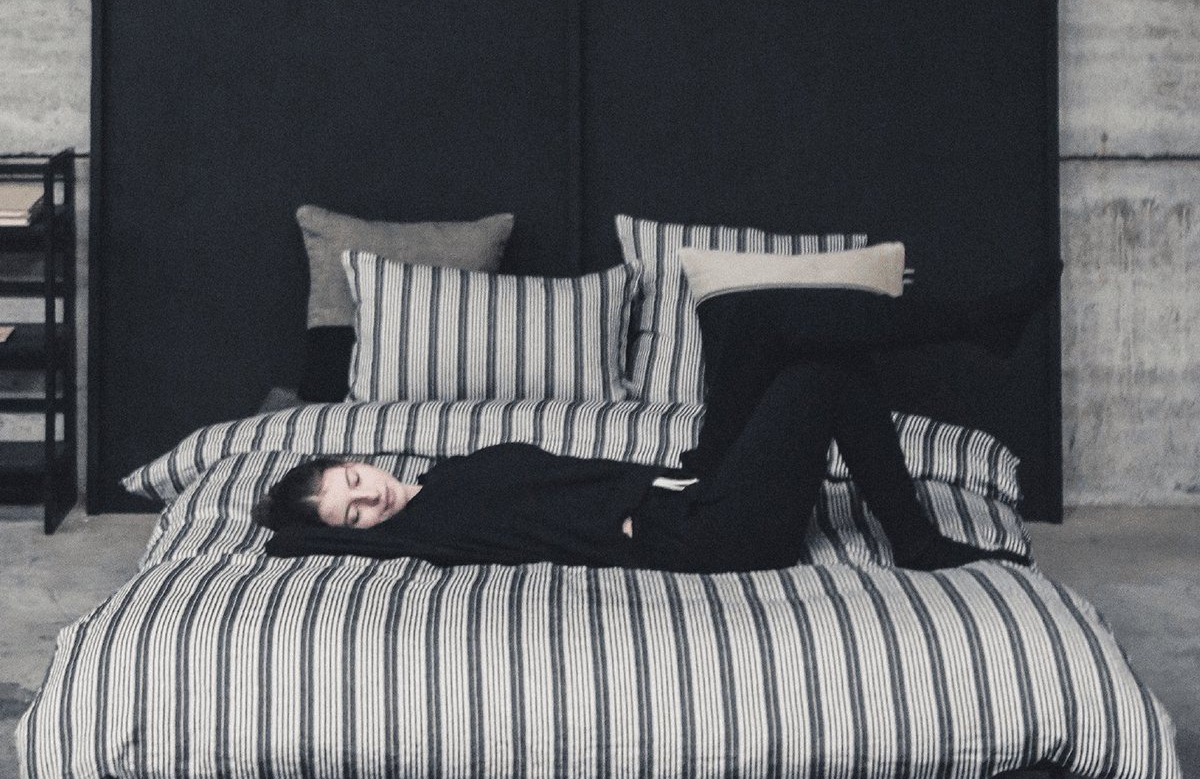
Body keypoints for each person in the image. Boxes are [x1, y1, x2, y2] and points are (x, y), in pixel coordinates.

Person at [255, 268, 1060, 573]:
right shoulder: (426, 531)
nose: (369, 499)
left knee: (747, 318)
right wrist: (296, 521)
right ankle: (916, 539)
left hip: (691, 483)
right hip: (709, 534)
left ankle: (972, 322)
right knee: (824, 375)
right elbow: (294, 541)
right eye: (352, 513)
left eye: (353, 480)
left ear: (360, 460)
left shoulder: (444, 476)